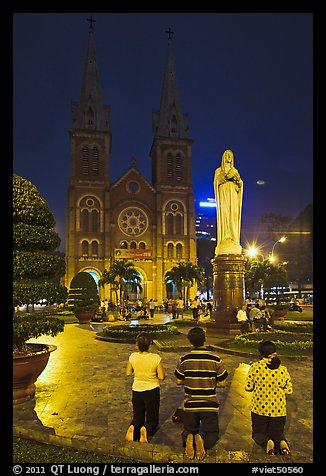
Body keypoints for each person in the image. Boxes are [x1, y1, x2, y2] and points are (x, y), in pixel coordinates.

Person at [175, 327, 228, 461]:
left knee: (187, 430)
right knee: (212, 434)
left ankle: (189, 437)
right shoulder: (215, 359)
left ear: (190, 342)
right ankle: (202, 440)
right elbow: (223, 383)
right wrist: (210, 382)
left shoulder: (184, 359)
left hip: (190, 404)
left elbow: (178, 380)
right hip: (209, 405)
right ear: (205, 339)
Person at [245, 340, 293, 455]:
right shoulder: (283, 369)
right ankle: (282, 443)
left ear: (261, 353)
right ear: (274, 352)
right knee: (277, 433)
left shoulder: (255, 367)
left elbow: (248, 387)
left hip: (259, 409)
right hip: (279, 410)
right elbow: (289, 390)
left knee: (258, 434)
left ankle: (267, 443)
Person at [125, 332, 165, 443]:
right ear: (150, 344)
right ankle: (146, 429)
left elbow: (128, 373)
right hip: (152, 390)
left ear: (137, 345)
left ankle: (133, 427)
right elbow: (161, 376)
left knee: (138, 416)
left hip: (137, 390)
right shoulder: (155, 358)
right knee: (152, 418)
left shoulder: (133, 356)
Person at [214, 149, 243, 256]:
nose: (229, 157)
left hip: (233, 196)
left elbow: (240, 185)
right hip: (224, 195)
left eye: (230, 155)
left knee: (233, 216)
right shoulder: (218, 171)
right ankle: (225, 237)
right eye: (226, 155)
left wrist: (238, 181)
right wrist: (224, 177)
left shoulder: (235, 170)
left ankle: (233, 238)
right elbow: (216, 182)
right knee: (225, 215)